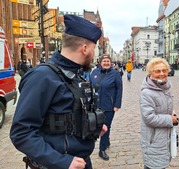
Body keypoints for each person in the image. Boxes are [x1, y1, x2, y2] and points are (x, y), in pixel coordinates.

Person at [10, 14, 107, 169]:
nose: (94, 54)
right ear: (85, 48)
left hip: (80, 161)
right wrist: (62, 161)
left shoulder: (75, 75)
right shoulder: (42, 77)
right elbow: (21, 133)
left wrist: (90, 127)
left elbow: (67, 116)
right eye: (94, 49)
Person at [139, 57, 179, 169]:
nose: (161, 74)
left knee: (159, 165)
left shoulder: (165, 88)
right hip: (153, 138)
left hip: (164, 137)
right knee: (154, 165)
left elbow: (167, 108)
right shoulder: (147, 93)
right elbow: (149, 118)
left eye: (164, 70)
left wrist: (173, 115)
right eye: (157, 71)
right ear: (150, 73)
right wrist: (170, 120)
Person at [90, 54, 123, 161]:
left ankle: (102, 149)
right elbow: (90, 86)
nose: (106, 63)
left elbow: (119, 89)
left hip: (109, 105)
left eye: (108, 61)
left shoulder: (115, 74)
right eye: (104, 61)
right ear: (100, 62)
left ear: (111, 62)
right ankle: (107, 140)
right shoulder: (95, 72)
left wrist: (117, 104)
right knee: (96, 126)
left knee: (106, 126)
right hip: (96, 105)